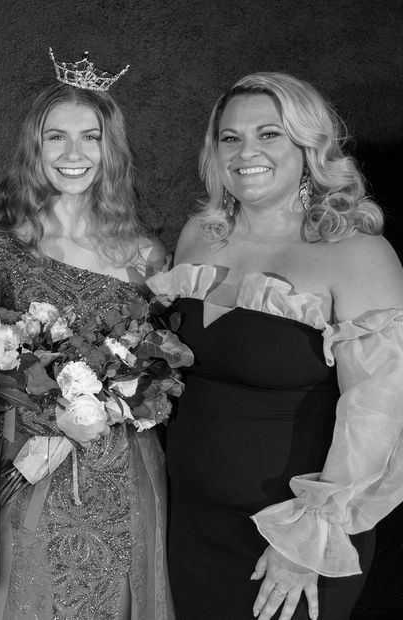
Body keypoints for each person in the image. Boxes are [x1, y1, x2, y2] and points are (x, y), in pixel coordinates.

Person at [148, 72, 403, 620]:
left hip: (289, 540)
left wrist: (306, 540)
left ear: (309, 147)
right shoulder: (199, 234)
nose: (247, 153)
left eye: (269, 135)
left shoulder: (357, 253)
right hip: (190, 522)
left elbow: (381, 413)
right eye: (230, 137)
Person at [0, 51, 171, 619]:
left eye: (90, 137)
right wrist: (39, 421)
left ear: (112, 149)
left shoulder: (145, 255)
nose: (73, 154)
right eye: (55, 137)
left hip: (118, 465)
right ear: (35, 148)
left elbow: (153, 366)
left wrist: (116, 401)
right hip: (29, 456)